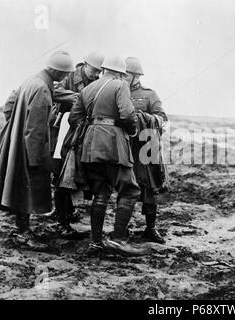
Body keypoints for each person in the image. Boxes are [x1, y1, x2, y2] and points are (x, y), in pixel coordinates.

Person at [0, 51, 75, 250]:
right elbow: (35, 129)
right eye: (65, 73)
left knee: (18, 187)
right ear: (57, 72)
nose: (66, 77)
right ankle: (23, 232)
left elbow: (9, 106)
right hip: (29, 148)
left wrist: (15, 127)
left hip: (19, 142)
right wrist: (36, 159)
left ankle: (22, 229)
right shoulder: (42, 89)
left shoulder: (32, 81)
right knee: (26, 189)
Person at [68, 54, 146, 256]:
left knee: (100, 192)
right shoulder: (120, 85)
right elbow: (128, 115)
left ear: (103, 69)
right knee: (129, 190)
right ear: (121, 73)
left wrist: (93, 129)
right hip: (113, 143)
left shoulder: (87, 88)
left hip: (90, 146)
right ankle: (118, 240)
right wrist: (130, 131)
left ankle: (95, 242)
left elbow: (74, 118)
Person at [48, 51, 105, 238]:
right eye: (95, 70)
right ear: (85, 64)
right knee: (61, 173)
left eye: (99, 72)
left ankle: (68, 210)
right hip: (63, 130)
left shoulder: (96, 81)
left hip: (82, 132)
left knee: (75, 172)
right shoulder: (70, 76)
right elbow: (54, 91)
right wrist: (79, 97)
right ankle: (61, 219)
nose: (97, 75)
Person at [124, 57, 169, 244]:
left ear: (136, 76)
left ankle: (150, 228)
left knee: (151, 188)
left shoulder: (149, 95)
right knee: (125, 188)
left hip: (147, 147)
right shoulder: (117, 92)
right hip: (126, 147)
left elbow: (162, 118)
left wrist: (144, 118)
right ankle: (122, 228)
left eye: (126, 74)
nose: (123, 78)